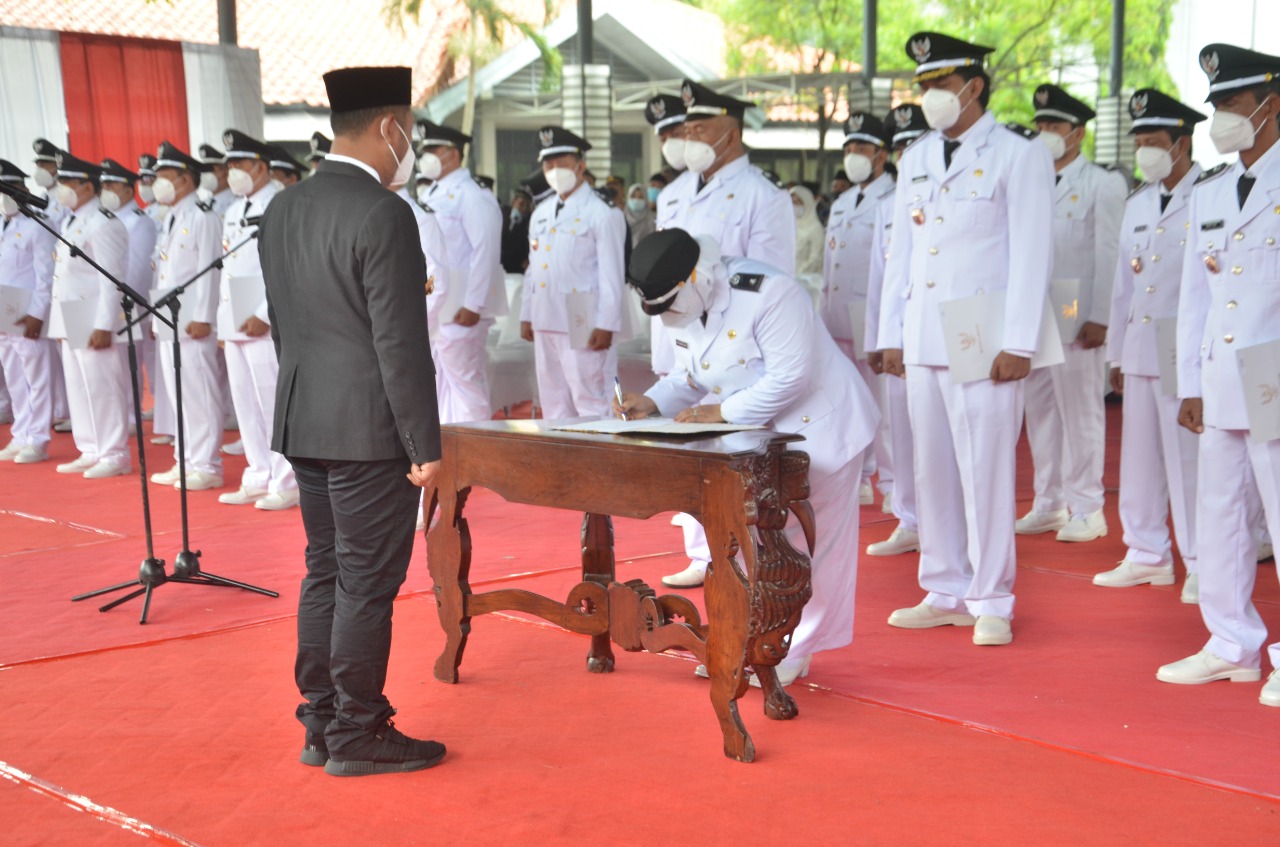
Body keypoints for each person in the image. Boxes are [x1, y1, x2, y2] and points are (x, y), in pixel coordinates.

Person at [258, 65, 447, 773]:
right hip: (370, 431)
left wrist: (305, 400)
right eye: (409, 129)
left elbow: (285, 326)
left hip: (306, 416)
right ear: (390, 128)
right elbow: (400, 342)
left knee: (325, 572)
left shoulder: (283, 208)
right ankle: (359, 730)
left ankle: (322, 720)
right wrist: (423, 445)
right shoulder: (383, 212)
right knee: (366, 581)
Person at [617, 228, 879, 685]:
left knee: (809, 546)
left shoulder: (770, 293)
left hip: (819, 429)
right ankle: (747, 638)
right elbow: (692, 376)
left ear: (696, 278)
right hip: (755, 441)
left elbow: (790, 377)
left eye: (670, 305)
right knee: (748, 543)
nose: (668, 317)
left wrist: (720, 412)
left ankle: (793, 648)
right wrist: (655, 401)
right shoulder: (688, 304)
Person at [879, 32, 1055, 647]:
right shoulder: (916, 157)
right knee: (932, 469)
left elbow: (1034, 253)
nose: (929, 96)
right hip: (925, 332)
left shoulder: (1017, 155)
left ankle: (992, 596)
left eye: (938, 85)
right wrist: (890, 335)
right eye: (923, 86)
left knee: (985, 467)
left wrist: (1021, 340)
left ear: (973, 86)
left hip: (985, 333)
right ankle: (944, 586)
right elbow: (900, 255)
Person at [1158, 44, 1280, 709]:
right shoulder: (1209, 190)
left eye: (1231, 105)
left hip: (1275, 375)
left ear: (1270, 104)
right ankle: (1231, 642)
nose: (1220, 119)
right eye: (1216, 107)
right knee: (1221, 512)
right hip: (1222, 376)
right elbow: (1193, 298)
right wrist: (1192, 382)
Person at [650, 80, 798, 589]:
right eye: (685, 127)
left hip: (742, 349)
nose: (687, 135)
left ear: (730, 133)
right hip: (686, 342)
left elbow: (774, 280)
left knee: (741, 453)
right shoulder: (672, 194)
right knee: (691, 447)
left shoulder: (763, 195)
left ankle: (755, 548)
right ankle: (703, 550)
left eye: (699, 126)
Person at [1094, 89, 1206, 600]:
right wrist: (1116, 353)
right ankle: (1146, 553)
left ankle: (1204, 561)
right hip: (1141, 344)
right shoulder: (1139, 202)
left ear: (1182, 143)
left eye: (1155, 141)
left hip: (1185, 344)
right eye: (1139, 140)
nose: (1145, 150)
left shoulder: (1209, 194)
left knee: (1188, 459)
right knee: (1137, 457)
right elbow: (1123, 284)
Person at [1016, 84, 1127, 543]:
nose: (1045, 132)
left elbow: (1111, 254)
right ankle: (1050, 502)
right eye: (1040, 125)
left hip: (1078, 311)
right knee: (1039, 410)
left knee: (1081, 412)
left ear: (1078, 133)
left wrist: (1102, 315)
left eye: (1054, 125)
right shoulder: (1030, 180)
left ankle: (1088, 507)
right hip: (1036, 313)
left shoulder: (1102, 183)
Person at [214, 129, 298, 511]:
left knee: (272, 403)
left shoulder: (282, 203)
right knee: (246, 404)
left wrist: (267, 314)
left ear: (261, 167)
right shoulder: (232, 209)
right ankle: (258, 474)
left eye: (240, 164)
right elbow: (227, 269)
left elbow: (289, 266)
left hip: (266, 323)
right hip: (235, 320)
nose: (233, 171)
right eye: (229, 164)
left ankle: (287, 480)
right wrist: (222, 321)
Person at [520, 126, 627, 418]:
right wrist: (526, 313)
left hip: (584, 320)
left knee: (592, 399)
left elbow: (612, 274)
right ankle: (560, 463)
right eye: (548, 164)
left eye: (561, 162)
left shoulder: (602, 211)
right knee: (553, 401)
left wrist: (608, 324)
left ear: (581, 165)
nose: (554, 170)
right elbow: (534, 268)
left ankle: (602, 462)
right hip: (545, 317)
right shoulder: (541, 212)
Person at [821, 111, 899, 510]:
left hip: (872, 312)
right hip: (838, 315)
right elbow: (829, 263)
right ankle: (863, 474)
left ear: (881, 155)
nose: (853, 154)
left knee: (881, 402)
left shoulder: (895, 197)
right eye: (849, 147)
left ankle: (891, 480)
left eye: (861, 147)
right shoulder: (843, 201)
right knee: (849, 401)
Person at [864, 104, 930, 558]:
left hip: (943, 334)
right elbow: (879, 279)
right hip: (900, 334)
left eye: (915, 144)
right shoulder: (886, 204)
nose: (907, 153)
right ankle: (909, 517)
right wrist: (880, 337)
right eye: (900, 146)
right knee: (901, 432)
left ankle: (947, 524)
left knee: (940, 437)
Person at [47, 152, 132, 479]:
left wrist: (104, 325)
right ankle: (90, 447)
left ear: (86, 185)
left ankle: (113, 452)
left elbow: (112, 279)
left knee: (102, 386)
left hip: (94, 315)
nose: (60, 188)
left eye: (66, 181)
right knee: (79, 386)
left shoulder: (103, 222)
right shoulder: (70, 219)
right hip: (72, 313)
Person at [146, 141, 226, 491]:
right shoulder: (171, 218)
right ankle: (186, 460)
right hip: (169, 316)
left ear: (184, 179)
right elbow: (164, 274)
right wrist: (155, 317)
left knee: (199, 391)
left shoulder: (203, 216)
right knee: (178, 392)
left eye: (163, 176)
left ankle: (207, 465)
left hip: (193, 319)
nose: (156, 183)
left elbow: (211, 269)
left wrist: (205, 315)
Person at [416, 119, 505, 423]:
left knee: (468, 389)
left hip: (462, 309)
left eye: (432, 149)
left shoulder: (473, 194)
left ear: (453, 153)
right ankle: (450, 458)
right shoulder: (431, 194)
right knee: (439, 387)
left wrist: (474, 304)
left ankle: (476, 458)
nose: (424, 155)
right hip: (439, 307)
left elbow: (486, 251)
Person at [0, 159, 57, 464]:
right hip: (3, 311)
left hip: (27, 311)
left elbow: (46, 275)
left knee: (37, 376)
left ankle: (38, 439)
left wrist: (38, 312)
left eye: (6, 189)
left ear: (21, 190)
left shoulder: (39, 223)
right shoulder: (1, 222)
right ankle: (20, 433)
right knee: (14, 377)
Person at [98, 158, 158, 415]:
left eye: (111, 185)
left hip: (131, 302)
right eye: (104, 185)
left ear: (126, 189)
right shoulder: (107, 219)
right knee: (118, 363)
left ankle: (134, 411)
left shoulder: (138, 221)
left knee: (134, 360)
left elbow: (138, 268)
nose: (106, 191)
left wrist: (127, 302)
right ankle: (127, 411)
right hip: (113, 301)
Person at [790, 184, 824, 276]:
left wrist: (799, 275)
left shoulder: (815, 227)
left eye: (798, 202)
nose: (795, 206)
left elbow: (816, 258)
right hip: (787, 277)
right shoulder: (790, 226)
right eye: (792, 202)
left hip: (807, 281)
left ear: (807, 202)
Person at [500, 188, 533, 273]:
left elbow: (531, 244)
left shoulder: (528, 224)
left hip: (517, 269)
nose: (524, 209)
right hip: (499, 266)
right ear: (513, 202)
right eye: (521, 204)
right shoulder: (501, 215)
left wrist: (528, 259)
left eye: (527, 206)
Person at [198, 143, 235, 216]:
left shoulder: (236, 203)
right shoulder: (204, 204)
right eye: (203, 169)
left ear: (226, 171)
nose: (205, 174)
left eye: (210, 169)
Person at [623, 182, 655, 246]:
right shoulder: (622, 219)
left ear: (646, 199)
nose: (636, 200)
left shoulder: (652, 219)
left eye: (640, 197)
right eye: (633, 196)